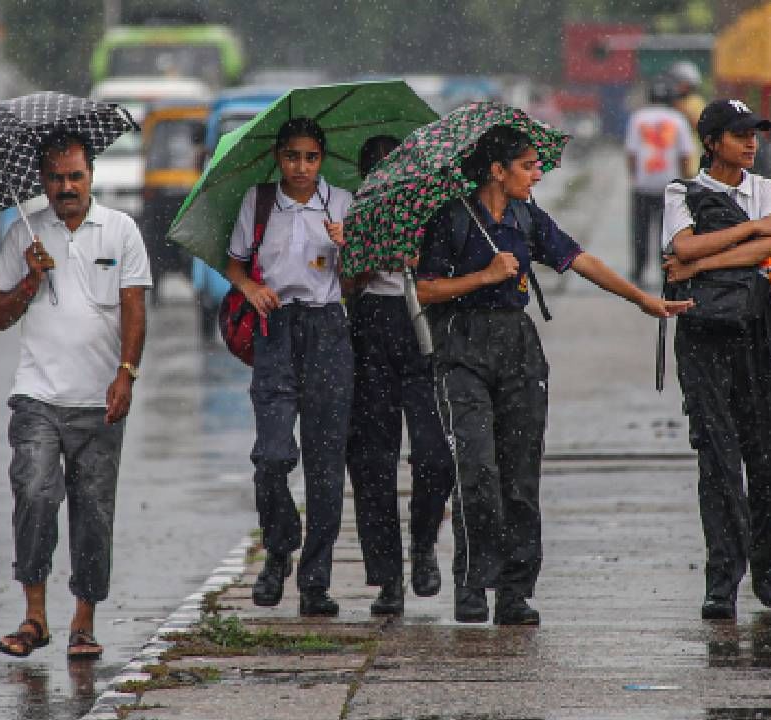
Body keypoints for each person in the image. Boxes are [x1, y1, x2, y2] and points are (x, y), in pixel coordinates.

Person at [416, 125, 692, 625]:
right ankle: (473, 581)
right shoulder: (450, 220)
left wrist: (642, 300)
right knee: (477, 472)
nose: (537, 173)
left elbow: (580, 259)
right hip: (462, 351)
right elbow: (427, 291)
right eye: (527, 165)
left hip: (519, 350)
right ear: (497, 171)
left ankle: (516, 592)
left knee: (520, 477)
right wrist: (484, 276)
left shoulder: (526, 216)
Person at [0, 129, 151, 659]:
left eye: (75, 175)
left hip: (99, 401)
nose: (66, 186)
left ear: (91, 177)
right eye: (56, 177)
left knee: (93, 511)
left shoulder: (122, 232)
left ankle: (84, 621)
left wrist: (126, 372)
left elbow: (134, 308)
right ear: (42, 180)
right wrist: (30, 281)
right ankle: (35, 616)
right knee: (34, 495)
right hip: (37, 397)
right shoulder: (23, 235)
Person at [660, 99, 771, 620]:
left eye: (754, 133)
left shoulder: (767, 189)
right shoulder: (682, 193)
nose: (750, 143)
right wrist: (749, 235)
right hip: (704, 335)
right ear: (712, 141)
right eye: (739, 134)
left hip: (760, 333)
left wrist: (708, 252)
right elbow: (681, 247)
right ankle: (723, 577)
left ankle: (767, 559)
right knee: (717, 459)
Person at [224, 117, 354, 617]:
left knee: (325, 466)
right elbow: (235, 263)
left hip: (328, 333)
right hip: (275, 331)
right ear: (278, 157)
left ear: (323, 159)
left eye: (311, 157)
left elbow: (360, 278)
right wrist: (250, 288)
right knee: (272, 456)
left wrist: (351, 246)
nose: (301, 167)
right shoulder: (258, 203)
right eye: (292, 156)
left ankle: (316, 580)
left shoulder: (341, 203)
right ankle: (279, 549)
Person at [345, 135, 452, 617]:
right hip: (370, 331)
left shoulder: (432, 210)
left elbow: (448, 275)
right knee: (372, 461)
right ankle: (387, 576)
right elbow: (341, 285)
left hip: (422, 333)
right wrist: (361, 261)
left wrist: (418, 261)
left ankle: (424, 543)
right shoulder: (354, 214)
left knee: (434, 455)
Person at [623, 76, 696, 286]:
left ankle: (638, 272)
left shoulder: (638, 118)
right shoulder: (678, 119)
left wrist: (634, 177)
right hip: (670, 184)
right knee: (669, 233)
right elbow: (685, 154)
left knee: (640, 230)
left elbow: (631, 153)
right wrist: (685, 181)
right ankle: (667, 273)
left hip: (644, 184)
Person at [669, 61, 709, 145]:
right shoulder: (669, 101)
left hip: (689, 152)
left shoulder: (696, 101)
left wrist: (682, 112)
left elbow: (702, 127)